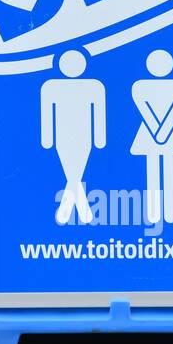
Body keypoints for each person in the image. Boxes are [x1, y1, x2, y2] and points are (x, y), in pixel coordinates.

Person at [40, 49, 106, 225]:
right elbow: (47, 114)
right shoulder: (50, 86)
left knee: (74, 172)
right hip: (62, 137)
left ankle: (68, 212)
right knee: (74, 172)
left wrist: (100, 139)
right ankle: (83, 213)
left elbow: (99, 114)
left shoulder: (94, 86)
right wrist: (47, 139)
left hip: (84, 136)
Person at [130, 49, 173, 224]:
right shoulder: (139, 86)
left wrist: (160, 133)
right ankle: (154, 213)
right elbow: (144, 110)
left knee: (169, 168)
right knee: (153, 168)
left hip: (165, 133)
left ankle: (170, 213)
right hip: (158, 133)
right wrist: (160, 133)